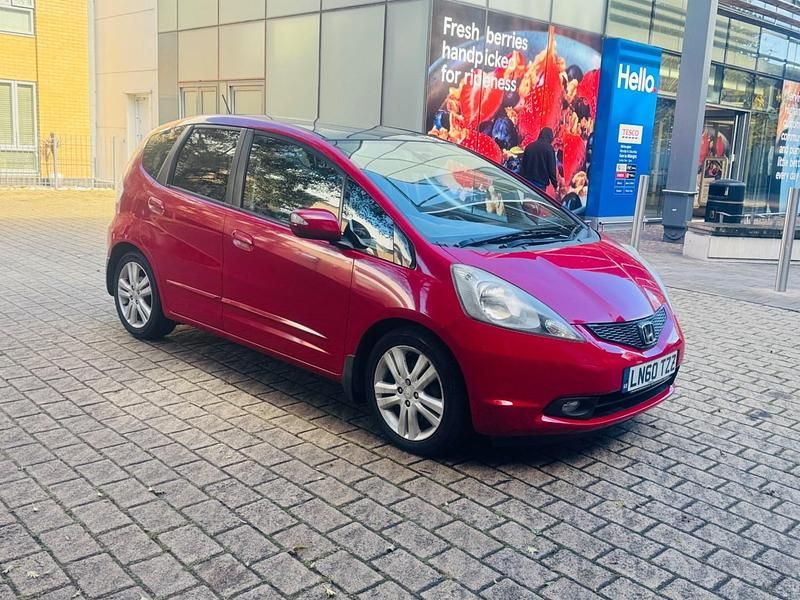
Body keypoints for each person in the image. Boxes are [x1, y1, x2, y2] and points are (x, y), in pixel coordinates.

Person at [521, 127, 558, 192]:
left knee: (527, 198)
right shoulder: (549, 149)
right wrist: (555, 185)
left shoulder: (529, 146)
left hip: (527, 182)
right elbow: (552, 170)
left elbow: (523, 165)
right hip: (540, 186)